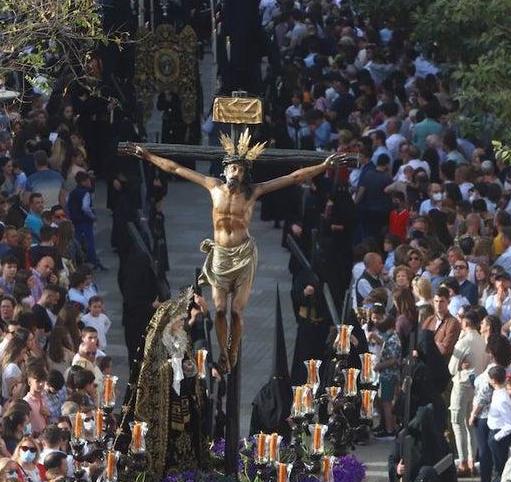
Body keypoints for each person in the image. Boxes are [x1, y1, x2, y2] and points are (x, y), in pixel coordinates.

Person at [123, 141, 346, 368]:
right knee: (220, 311)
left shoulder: (252, 192)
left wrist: (323, 165)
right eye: (232, 168)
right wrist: (148, 156)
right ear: (225, 169)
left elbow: (293, 178)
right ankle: (223, 352)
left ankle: (233, 349)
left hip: (243, 255)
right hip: (220, 254)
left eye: (240, 169)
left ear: (245, 173)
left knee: (236, 312)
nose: (235, 172)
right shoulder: (213, 186)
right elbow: (176, 169)